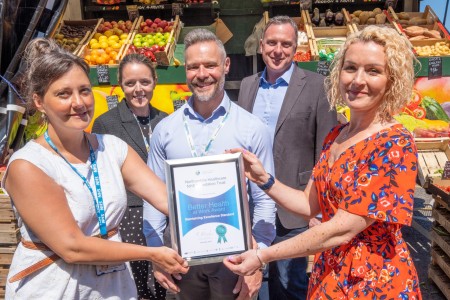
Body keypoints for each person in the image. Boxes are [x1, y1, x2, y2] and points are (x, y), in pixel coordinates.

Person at [224, 25, 423, 299]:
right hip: (330, 274)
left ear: (392, 79)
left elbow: (342, 229)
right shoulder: (336, 136)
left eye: (373, 71)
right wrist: (263, 179)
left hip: (373, 282)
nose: (358, 80)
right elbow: (308, 204)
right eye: (350, 68)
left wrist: (263, 255)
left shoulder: (394, 142)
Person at [2, 38, 188, 299]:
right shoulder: (28, 165)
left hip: (112, 287)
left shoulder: (112, 148)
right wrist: (152, 253)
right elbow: (72, 247)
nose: (78, 102)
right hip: (55, 287)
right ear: (40, 102)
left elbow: (171, 200)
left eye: (84, 90)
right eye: (63, 94)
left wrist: (230, 218)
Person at [143, 28, 276, 299]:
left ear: (226, 65)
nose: (202, 74)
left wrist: (258, 257)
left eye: (210, 65)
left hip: (236, 260)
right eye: (193, 67)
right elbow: (152, 197)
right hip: (182, 262)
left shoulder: (252, 129)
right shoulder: (166, 130)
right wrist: (155, 254)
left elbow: (264, 200)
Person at [238, 15, 337, 299]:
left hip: (295, 206)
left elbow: (326, 151)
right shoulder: (247, 85)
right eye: (271, 42)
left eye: (285, 44)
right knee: (249, 279)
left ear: (295, 49)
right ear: (261, 45)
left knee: (287, 284)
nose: (277, 50)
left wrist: (318, 211)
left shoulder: (318, 86)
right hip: (252, 202)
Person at [92, 53, 168, 300]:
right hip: (129, 214)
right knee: (136, 280)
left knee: (164, 280)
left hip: (164, 212)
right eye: (130, 83)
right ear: (121, 84)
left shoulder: (166, 121)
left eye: (144, 82)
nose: (138, 90)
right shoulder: (106, 124)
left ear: (155, 81)